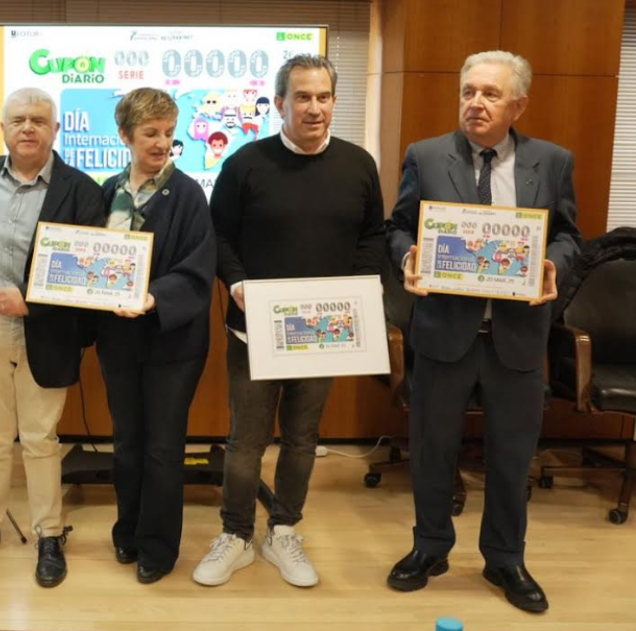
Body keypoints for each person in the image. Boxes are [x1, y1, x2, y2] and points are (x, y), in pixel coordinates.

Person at [384, 51, 579, 613]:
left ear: (517, 104)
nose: (476, 102)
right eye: (468, 90)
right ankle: (429, 547)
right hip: (444, 330)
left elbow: (569, 236)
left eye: (491, 94)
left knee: (512, 456)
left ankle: (505, 558)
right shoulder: (425, 154)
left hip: (516, 334)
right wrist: (408, 259)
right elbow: (398, 227)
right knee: (431, 450)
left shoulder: (552, 161)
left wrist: (555, 267)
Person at [197, 54, 385, 589]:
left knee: (302, 438)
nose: (314, 108)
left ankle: (283, 530)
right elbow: (219, 235)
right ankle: (235, 535)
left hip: (323, 334)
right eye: (302, 97)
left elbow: (373, 234)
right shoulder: (246, 163)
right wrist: (235, 282)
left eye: (323, 97)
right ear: (279, 103)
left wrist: (363, 284)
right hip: (254, 332)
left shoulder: (358, 164)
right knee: (246, 441)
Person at [0, 88, 106, 588]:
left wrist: (32, 303)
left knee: (41, 439)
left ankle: (48, 533)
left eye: (39, 120)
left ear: (55, 130)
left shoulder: (83, 189)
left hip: (49, 331)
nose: (28, 128)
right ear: (3, 129)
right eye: (18, 119)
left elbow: (89, 272)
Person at [95, 87, 216, 584]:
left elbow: (199, 266)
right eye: (150, 133)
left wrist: (155, 297)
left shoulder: (188, 193)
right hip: (118, 340)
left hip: (172, 341)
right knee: (126, 443)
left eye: (168, 132)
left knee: (164, 447)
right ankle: (128, 532)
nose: (162, 142)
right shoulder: (107, 190)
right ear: (125, 135)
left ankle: (159, 549)